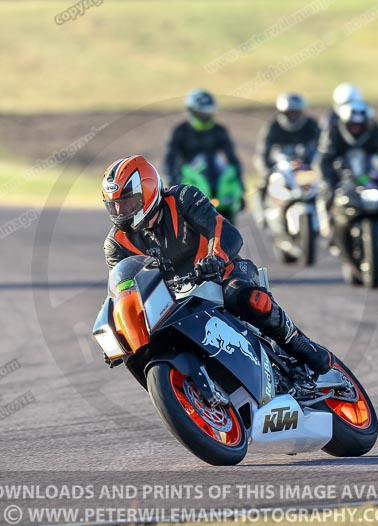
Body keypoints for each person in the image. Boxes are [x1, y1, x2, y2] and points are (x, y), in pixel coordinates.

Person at [102, 155, 333, 377]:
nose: (121, 212)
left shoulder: (183, 198)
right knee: (138, 350)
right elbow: (123, 290)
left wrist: (216, 259)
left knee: (249, 298)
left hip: (221, 275)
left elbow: (224, 231)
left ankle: (299, 343)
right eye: (115, 206)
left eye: (127, 203)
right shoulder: (115, 243)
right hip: (171, 303)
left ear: (148, 192)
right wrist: (120, 331)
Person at [253, 92, 320, 221]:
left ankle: (326, 218)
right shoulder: (273, 127)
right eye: (289, 113)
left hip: (306, 168)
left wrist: (316, 165)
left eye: (296, 113)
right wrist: (266, 171)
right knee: (263, 184)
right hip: (282, 168)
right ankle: (262, 215)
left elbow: (323, 147)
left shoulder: (311, 125)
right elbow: (262, 153)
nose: (293, 117)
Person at [163, 89, 243, 191]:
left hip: (216, 175)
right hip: (190, 178)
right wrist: (173, 185)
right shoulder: (180, 131)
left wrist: (240, 184)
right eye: (201, 114)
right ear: (191, 111)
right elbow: (170, 160)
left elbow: (232, 159)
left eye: (208, 113)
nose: (205, 118)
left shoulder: (219, 130)